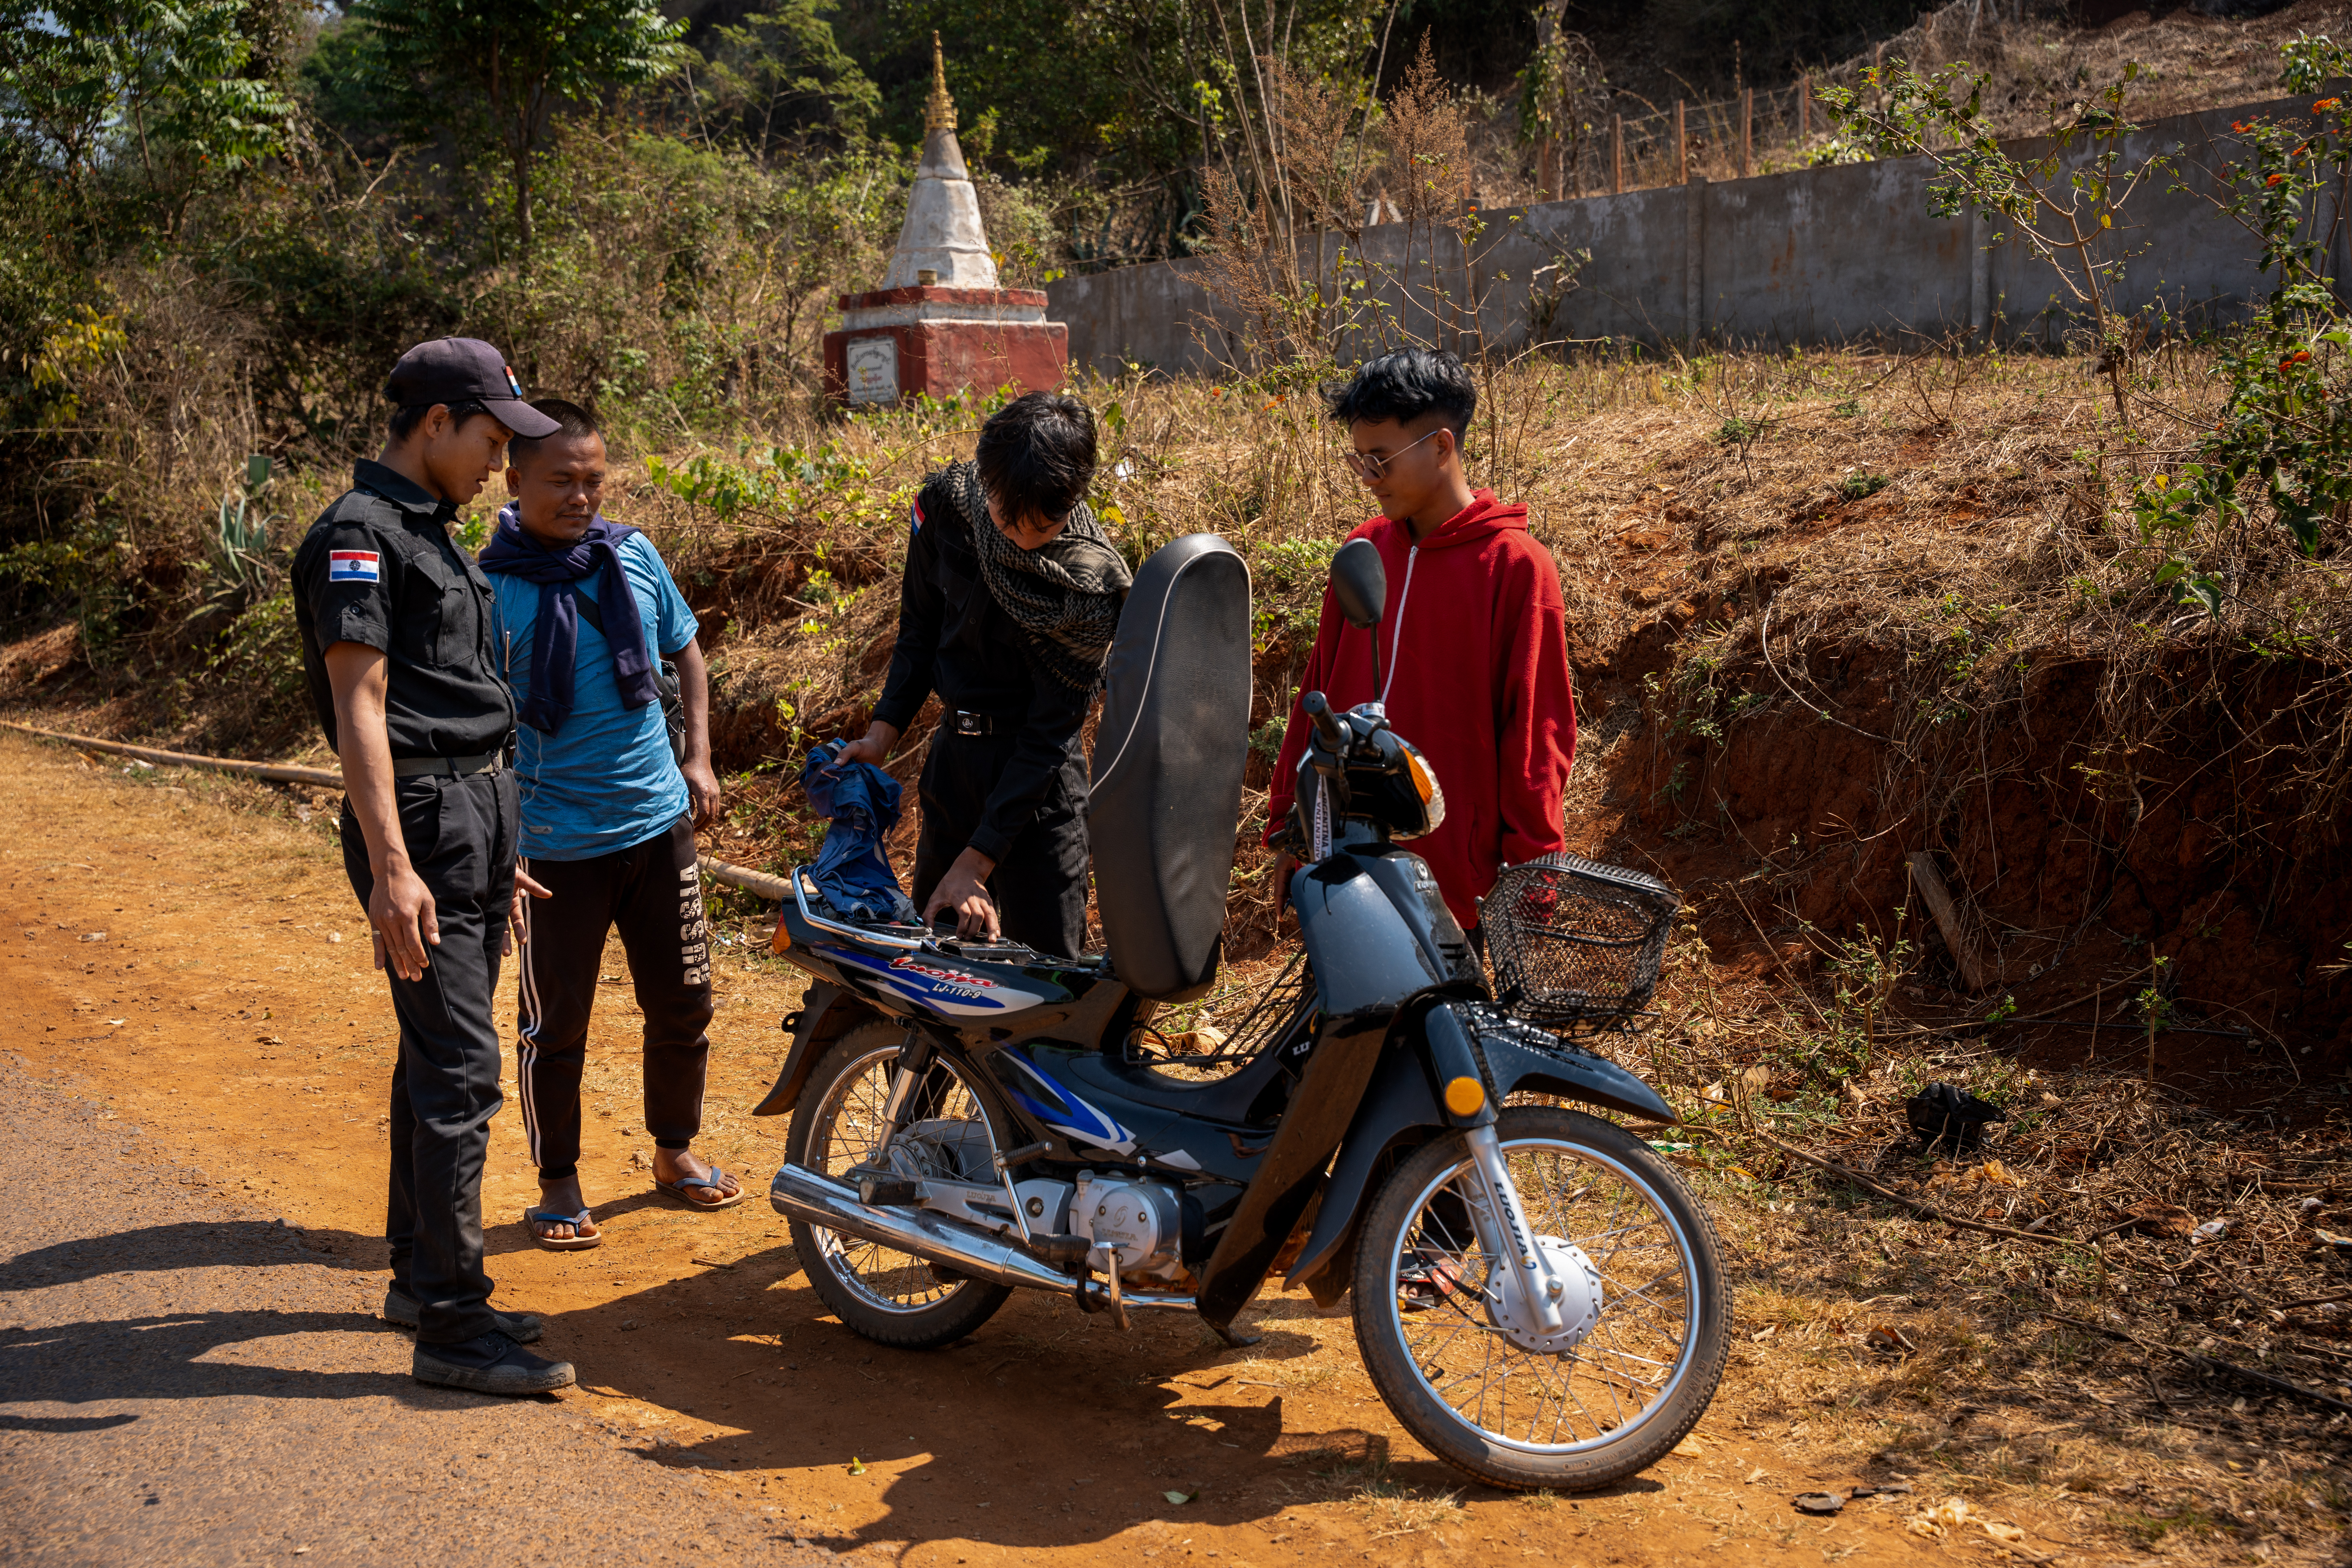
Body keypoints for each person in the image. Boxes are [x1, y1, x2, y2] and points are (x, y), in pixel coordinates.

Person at [291, 336, 575, 1395]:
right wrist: (394, 870)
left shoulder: (433, 533)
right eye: (492, 438)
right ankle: (454, 1330)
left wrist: (496, 847)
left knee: (433, 1057)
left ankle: (420, 1274)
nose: (501, 462)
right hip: (421, 815)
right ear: (436, 424)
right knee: (462, 1070)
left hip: (473, 812)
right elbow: (360, 705)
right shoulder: (361, 538)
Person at [477, 398, 736, 1250]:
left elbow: (685, 650)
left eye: (594, 479)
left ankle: (675, 1150)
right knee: (557, 1025)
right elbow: (477, 726)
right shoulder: (489, 592)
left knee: (683, 1001)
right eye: (562, 480)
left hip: (658, 826)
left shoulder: (633, 556)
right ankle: (559, 1179)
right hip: (554, 848)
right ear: (515, 482)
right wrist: (500, 835)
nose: (582, 496)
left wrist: (697, 756)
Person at [1265, 348, 1578, 934]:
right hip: (1345, 871)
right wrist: (1292, 824)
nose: (1368, 479)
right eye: (1358, 461)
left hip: (1457, 894)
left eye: (1381, 460)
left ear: (1441, 446)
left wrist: (1534, 878)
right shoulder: (1364, 550)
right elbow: (1318, 695)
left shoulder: (1514, 568)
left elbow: (1536, 734)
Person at [835, 392, 1131, 957]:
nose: (1017, 535)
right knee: (936, 974)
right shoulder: (948, 507)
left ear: (1072, 499)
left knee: (1044, 984)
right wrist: (880, 735)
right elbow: (918, 632)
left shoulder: (1087, 586)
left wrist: (978, 861)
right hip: (954, 769)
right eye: (1005, 516)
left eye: (1040, 525)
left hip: (1037, 793)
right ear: (988, 481)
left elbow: (1050, 734)